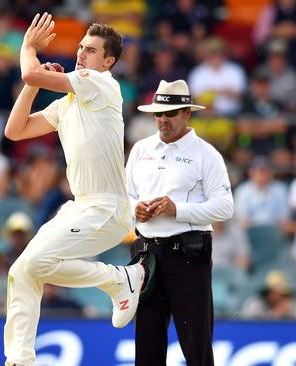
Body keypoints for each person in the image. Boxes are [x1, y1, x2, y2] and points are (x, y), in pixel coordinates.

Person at [2, 14, 145, 366]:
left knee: (37, 262)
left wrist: (28, 49)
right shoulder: (68, 101)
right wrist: (34, 86)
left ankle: (120, 278)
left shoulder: (100, 83)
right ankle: (19, 359)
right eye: (81, 48)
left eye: (91, 50)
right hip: (81, 206)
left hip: (108, 208)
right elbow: (14, 131)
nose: (82, 54)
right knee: (22, 271)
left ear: (107, 62)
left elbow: (28, 71)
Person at [126, 79, 234, 366]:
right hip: (146, 254)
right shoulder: (140, 149)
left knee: (196, 344)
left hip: (187, 253)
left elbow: (225, 207)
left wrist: (178, 210)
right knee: (146, 344)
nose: (163, 120)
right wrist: (135, 210)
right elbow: (124, 196)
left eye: (170, 114)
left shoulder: (205, 154)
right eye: (158, 114)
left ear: (187, 113)